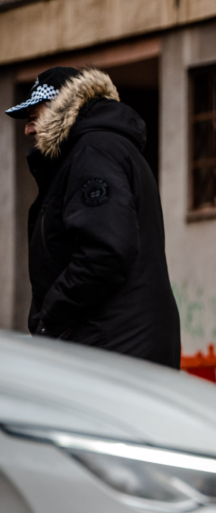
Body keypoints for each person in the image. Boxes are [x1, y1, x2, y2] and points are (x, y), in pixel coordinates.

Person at [7, 66, 181, 368]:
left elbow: (106, 251)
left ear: (59, 109)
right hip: (120, 343)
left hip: (113, 349)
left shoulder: (93, 153)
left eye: (33, 118)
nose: (27, 130)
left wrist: (50, 316)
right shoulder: (100, 149)